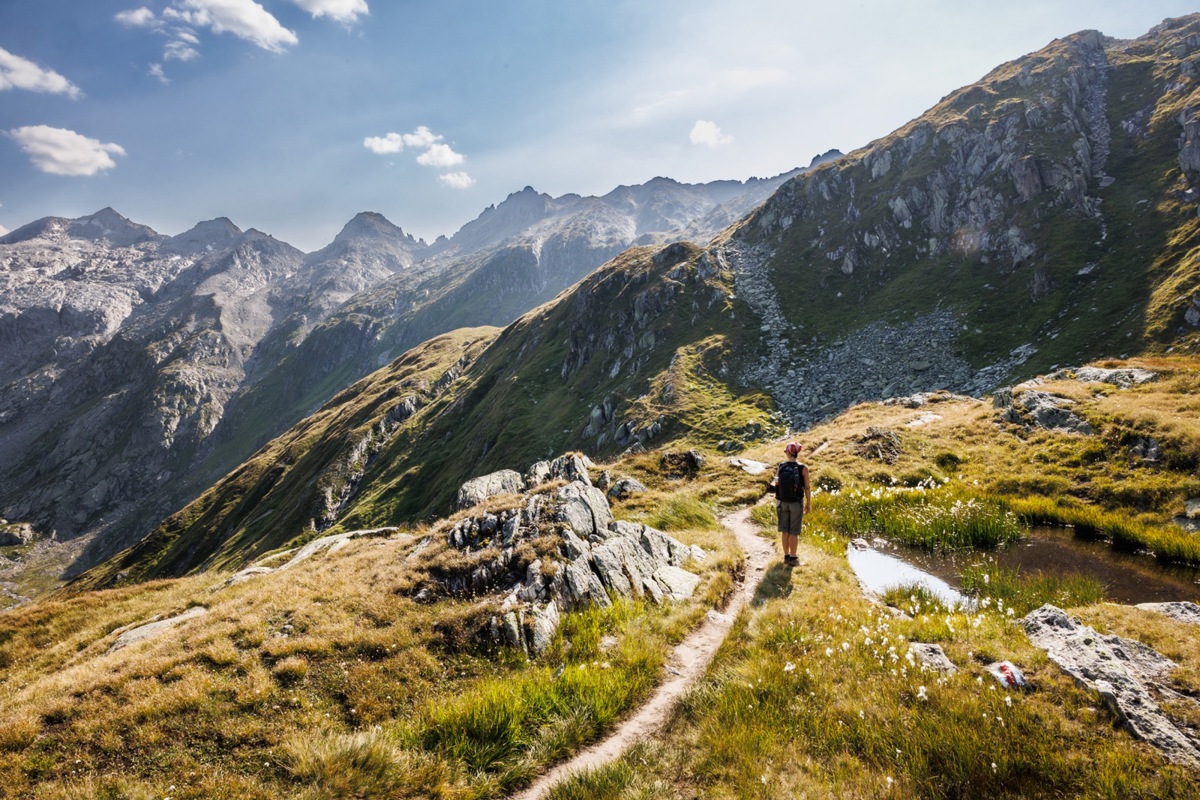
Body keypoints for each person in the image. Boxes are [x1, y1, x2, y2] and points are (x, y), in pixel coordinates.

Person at [769, 441, 811, 566]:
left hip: (782, 502)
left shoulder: (781, 466)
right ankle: (793, 558)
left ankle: (786, 556)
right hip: (796, 503)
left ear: (788, 453)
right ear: (797, 453)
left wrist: (779, 498)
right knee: (794, 532)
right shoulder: (803, 468)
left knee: (785, 531)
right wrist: (808, 503)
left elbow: (776, 484)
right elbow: (807, 487)